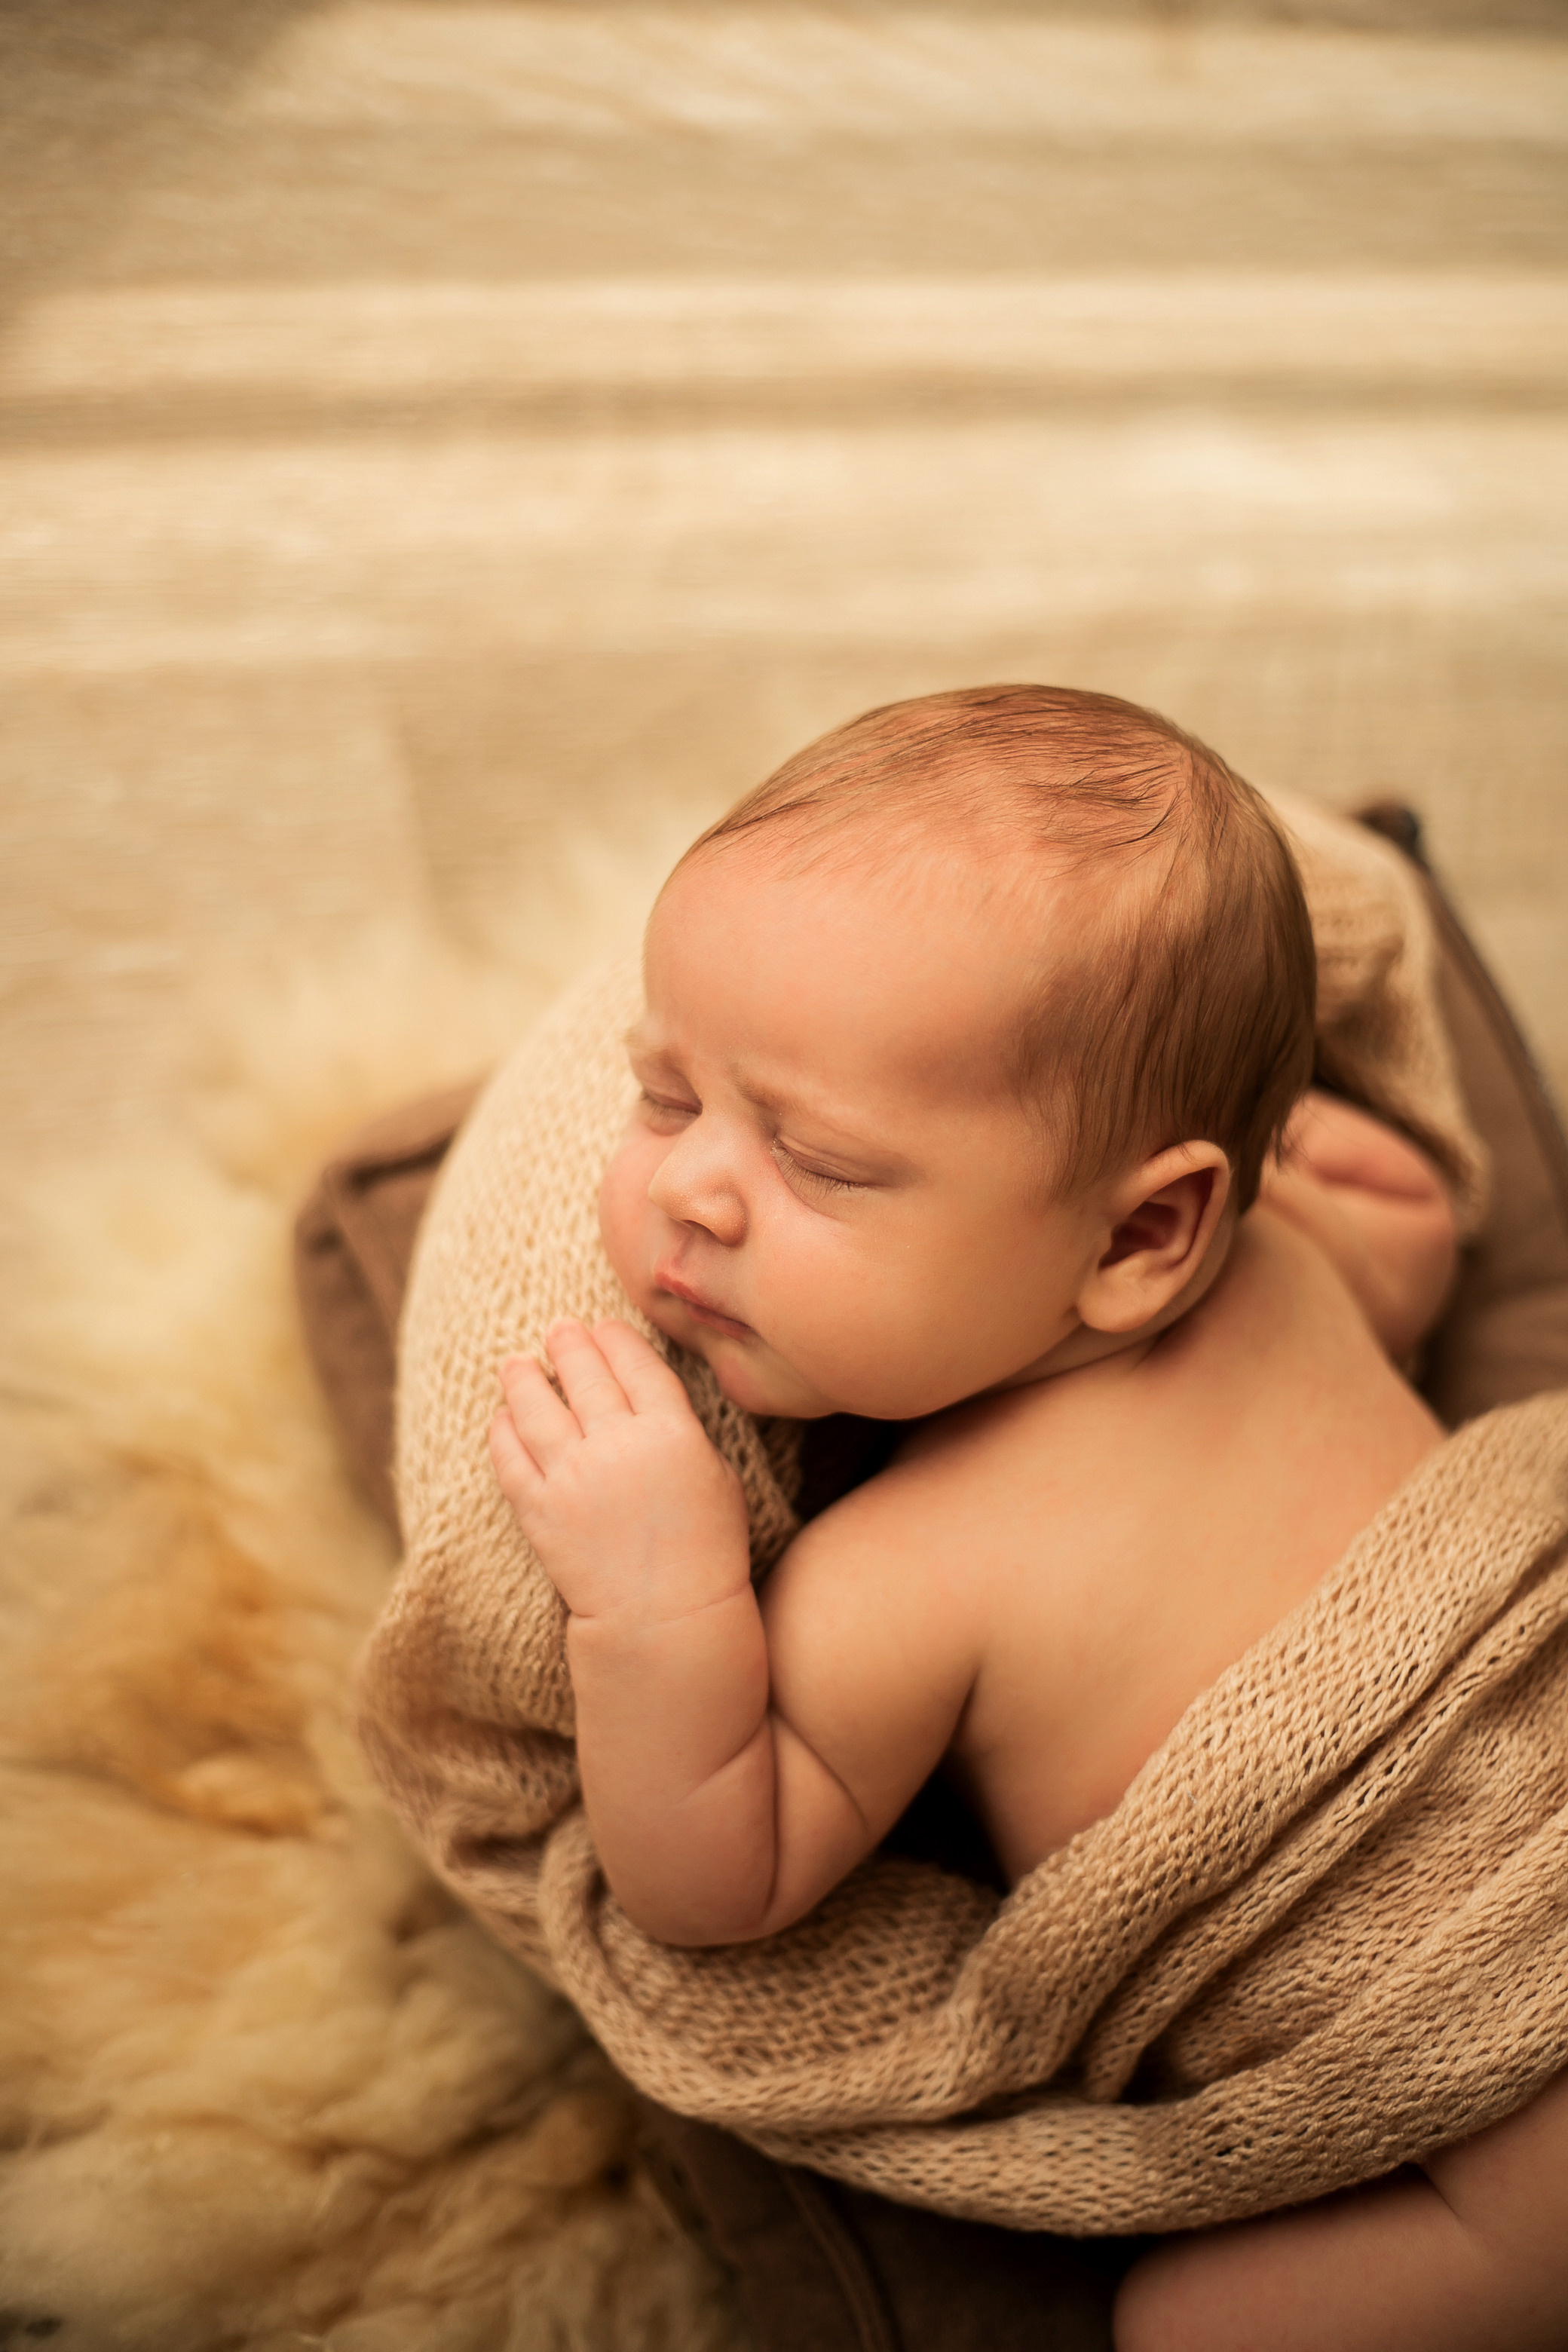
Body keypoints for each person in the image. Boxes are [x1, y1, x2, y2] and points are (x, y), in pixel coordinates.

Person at [485, 684, 1565, 2351]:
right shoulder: (1284, 1266)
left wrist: (652, 1599)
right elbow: (1405, 1244)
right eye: (663, 1094)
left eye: (816, 1161)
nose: (692, 1188)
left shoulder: (916, 1568)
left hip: (1506, 2059)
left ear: (1146, 1236)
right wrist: (659, 1588)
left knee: (1183, 2330)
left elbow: (710, 1878)